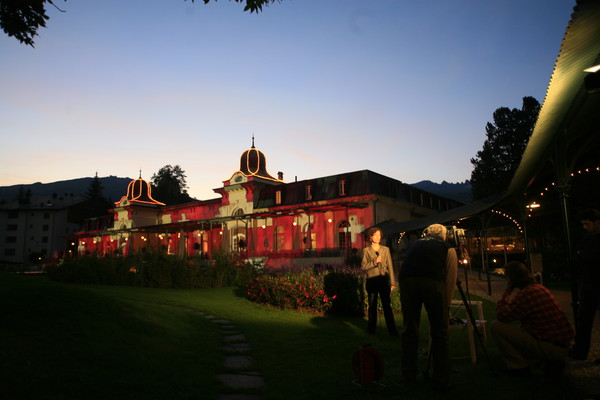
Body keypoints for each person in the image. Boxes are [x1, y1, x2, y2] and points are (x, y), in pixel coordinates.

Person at [398, 224, 458, 391]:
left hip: (407, 281)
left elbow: (405, 266)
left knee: (410, 330)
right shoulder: (447, 248)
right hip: (432, 282)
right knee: (440, 332)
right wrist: (446, 306)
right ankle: (441, 379)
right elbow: (451, 279)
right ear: (444, 236)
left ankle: (408, 374)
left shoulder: (415, 244)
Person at [491, 261, 574, 377]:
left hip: (550, 346)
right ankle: (547, 362)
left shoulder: (526, 294)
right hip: (562, 345)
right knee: (518, 333)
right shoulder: (539, 288)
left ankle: (518, 367)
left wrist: (507, 291)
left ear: (512, 279)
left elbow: (502, 316)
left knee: (496, 326)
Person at [568, 208, 600, 361]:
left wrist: (584, 256)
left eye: (587, 224)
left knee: (585, 320)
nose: (585, 227)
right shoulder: (587, 239)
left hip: (593, 283)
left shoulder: (589, 241)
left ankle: (581, 351)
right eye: (583, 224)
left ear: (597, 222)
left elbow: (584, 257)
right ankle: (580, 351)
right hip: (587, 284)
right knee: (583, 320)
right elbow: (577, 258)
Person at [361, 227, 398, 336]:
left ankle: (392, 330)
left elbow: (390, 266)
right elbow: (363, 267)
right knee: (372, 306)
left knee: (387, 305)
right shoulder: (366, 251)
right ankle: (371, 329)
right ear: (371, 237)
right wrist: (374, 262)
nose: (378, 237)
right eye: (375, 235)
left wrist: (392, 282)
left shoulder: (385, 249)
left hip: (383, 280)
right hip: (372, 281)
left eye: (379, 235)